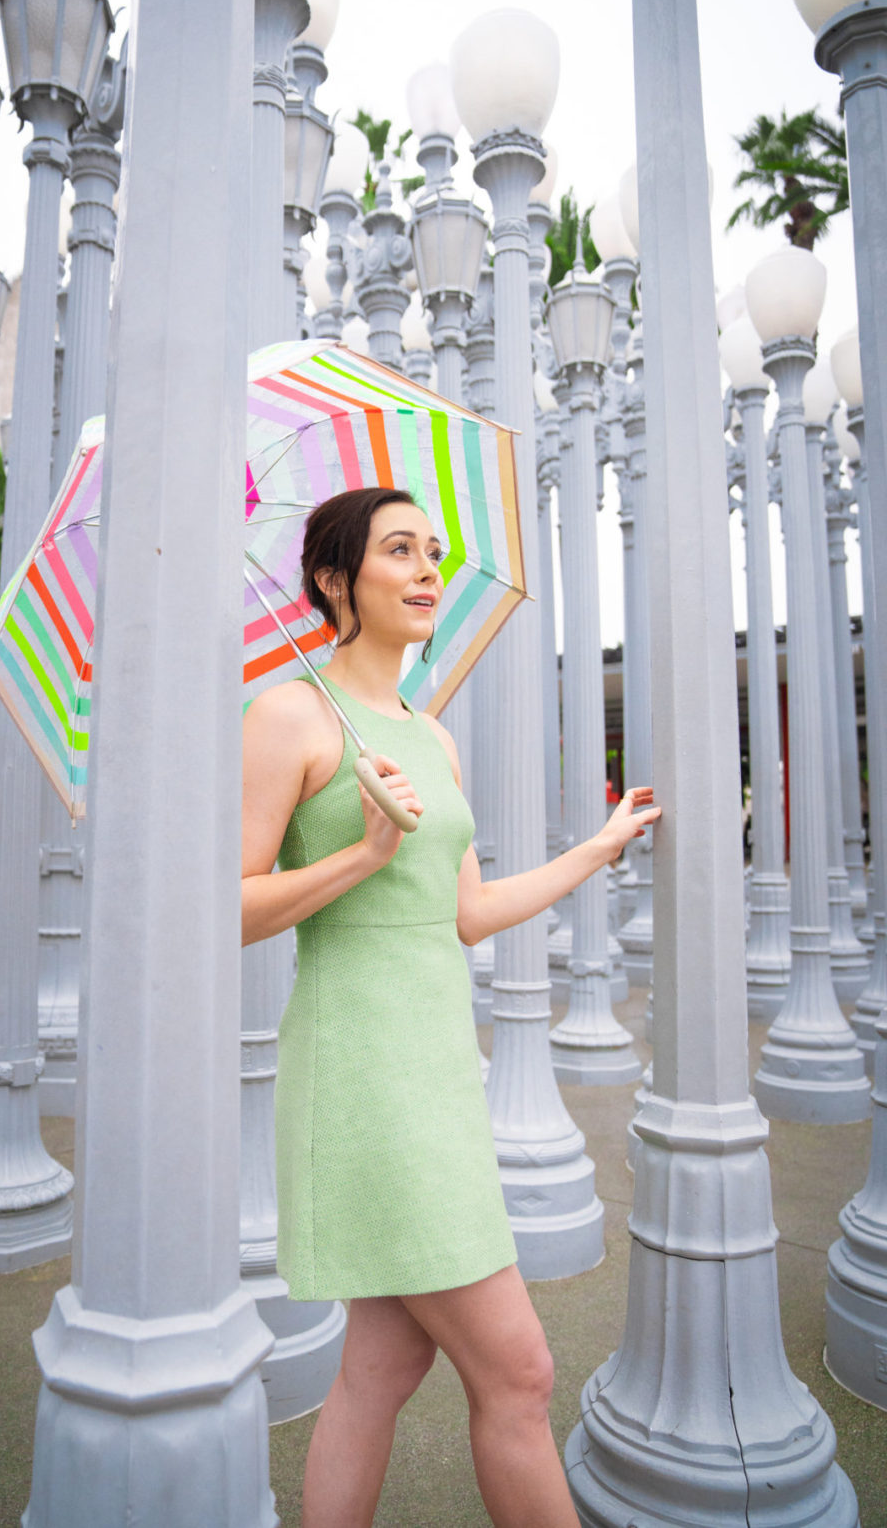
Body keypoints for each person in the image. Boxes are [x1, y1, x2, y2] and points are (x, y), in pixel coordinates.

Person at [242, 486, 660, 1528]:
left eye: (432, 550)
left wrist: (595, 852)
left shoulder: (432, 733)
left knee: (380, 1371)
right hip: (362, 1071)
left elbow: (468, 914)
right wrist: (364, 851)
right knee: (518, 1374)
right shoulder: (289, 711)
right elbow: (228, 907)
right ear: (335, 581)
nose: (429, 569)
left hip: (435, 1066)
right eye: (399, 551)